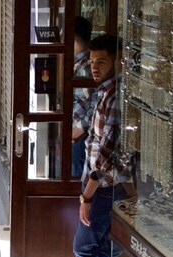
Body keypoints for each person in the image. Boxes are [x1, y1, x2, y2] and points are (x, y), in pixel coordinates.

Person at [73, 34, 126, 257]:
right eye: (92, 62)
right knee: (102, 247)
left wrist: (88, 195)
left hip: (104, 187)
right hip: (97, 184)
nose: (94, 67)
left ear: (117, 61)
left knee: (84, 247)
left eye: (102, 62)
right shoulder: (103, 91)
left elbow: (107, 152)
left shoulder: (115, 96)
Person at [69, 16, 94, 179]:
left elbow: (92, 103)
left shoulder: (85, 68)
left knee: (76, 178)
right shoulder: (78, 65)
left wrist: (77, 130)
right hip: (76, 135)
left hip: (80, 138)